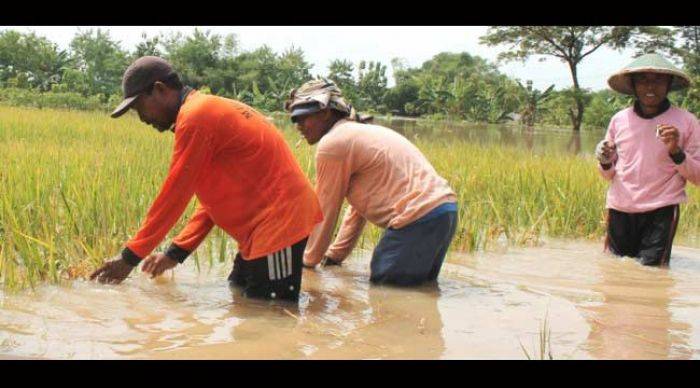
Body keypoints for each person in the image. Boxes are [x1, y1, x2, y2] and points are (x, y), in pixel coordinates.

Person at [89, 56, 322, 301]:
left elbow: (175, 194)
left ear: (159, 89)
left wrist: (129, 258)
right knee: (240, 294)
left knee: (272, 317)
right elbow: (214, 200)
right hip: (263, 229)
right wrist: (175, 254)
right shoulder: (202, 112)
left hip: (280, 223)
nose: (143, 119)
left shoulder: (196, 117)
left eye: (139, 108)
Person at [285, 79, 458, 286]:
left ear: (325, 112)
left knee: (386, 296)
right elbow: (357, 212)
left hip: (415, 219)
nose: (298, 126)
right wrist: (334, 257)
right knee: (418, 294)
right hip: (444, 213)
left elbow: (325, 209)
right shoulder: (359, 133)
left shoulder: (333, 143)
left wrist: (308, 262)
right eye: (295, 120)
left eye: (303, 118)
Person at [596, 53, 700, 266]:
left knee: (653, 273)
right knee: (614, 270)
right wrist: (605, 159)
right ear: (633, 85)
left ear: (669, 84)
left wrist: (676, 151)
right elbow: (608, 173)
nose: (650, 87)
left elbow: (697, 176)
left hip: (661, 211)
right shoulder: (619, 119)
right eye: (643, 80)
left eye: (658, 80)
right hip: (620, 208)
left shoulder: (687, 122)